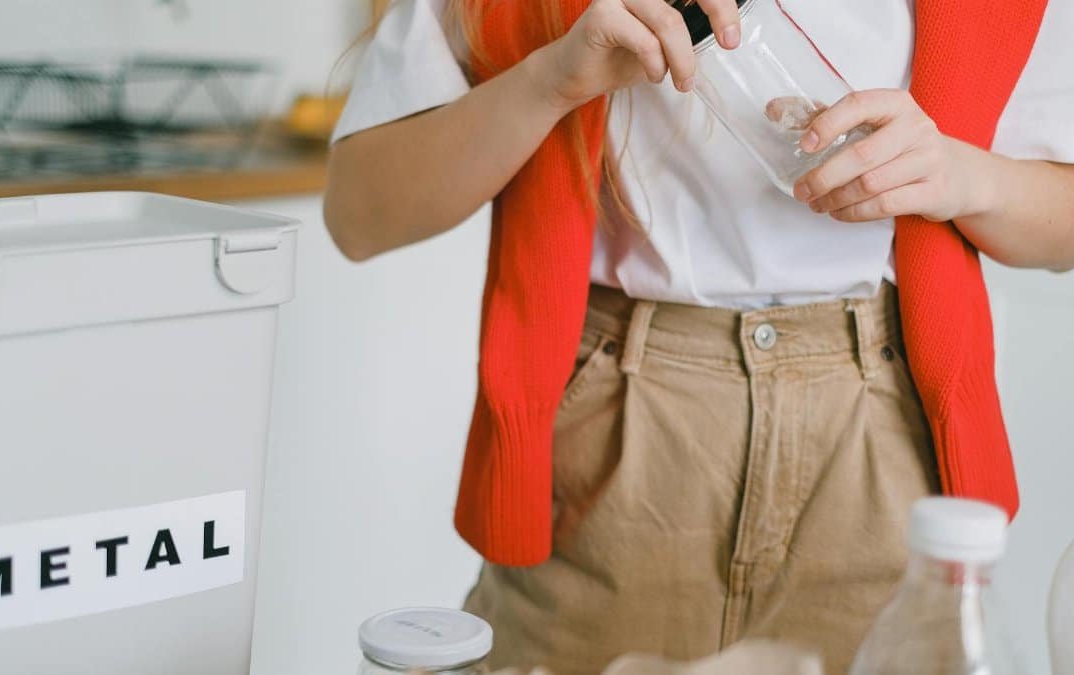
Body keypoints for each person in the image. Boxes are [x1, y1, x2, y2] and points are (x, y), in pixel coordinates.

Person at [324, 0, 1074, 673]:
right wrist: (554, 78)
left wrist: (963, 177)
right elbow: (360, 211)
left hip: (881, 441)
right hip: (618, 450)